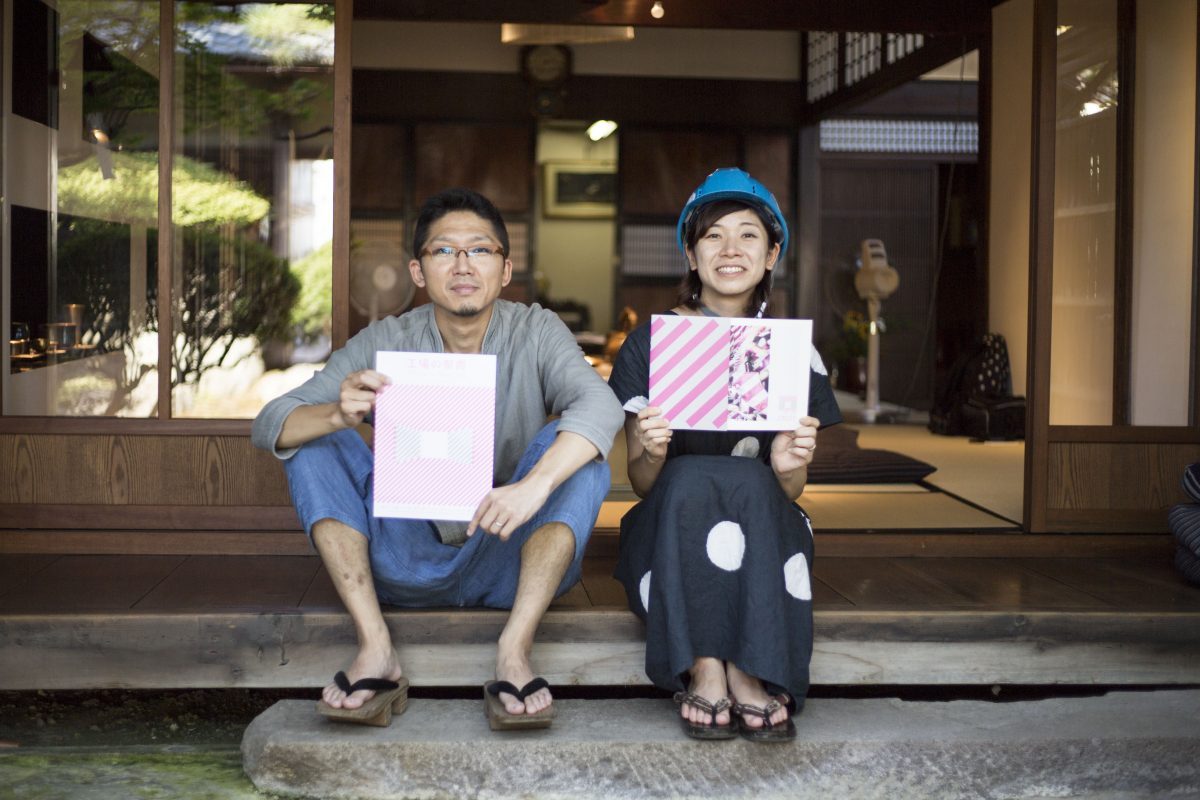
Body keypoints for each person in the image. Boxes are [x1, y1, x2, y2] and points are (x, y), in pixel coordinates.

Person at [252, 188, 624, 729]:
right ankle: (375, 645)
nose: (463, 264)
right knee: (317, 440)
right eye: (444, 251)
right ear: (418, 271)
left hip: (510, 555)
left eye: (480, 250)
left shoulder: (536, 330)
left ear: (505, 268)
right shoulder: (386, 339)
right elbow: (271, 420)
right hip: (402, 558)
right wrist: (338, 413)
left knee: (578, 452)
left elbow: (600, 403)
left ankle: (515, 649)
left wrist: (533, 488)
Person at [606, 168, 842, 742]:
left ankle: (746, 665)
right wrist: (654, 451)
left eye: (748, 235)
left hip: (763, 526)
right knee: (686, 477)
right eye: (713, 236)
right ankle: (708, 662)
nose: (730, 249)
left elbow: (789, 490)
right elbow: (641, 485)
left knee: (755, 482)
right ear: (691, 254)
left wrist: (789, 467)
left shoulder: (792, 351)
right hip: (673, 526)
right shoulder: (653, 343)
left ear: (772, 254)